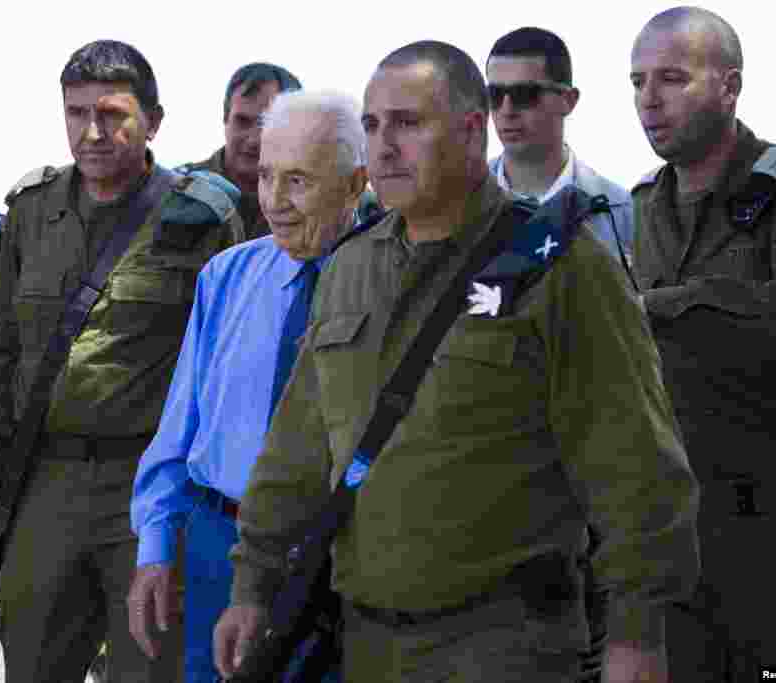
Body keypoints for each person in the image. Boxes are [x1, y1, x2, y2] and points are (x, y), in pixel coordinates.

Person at [213, 40, 700, 683]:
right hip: (364, 642)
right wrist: (251, 585)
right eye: (372, 125)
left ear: (473, 132)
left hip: (504, 644)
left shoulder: (560, 266)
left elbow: (635, 465)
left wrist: (637, 636)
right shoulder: (351, 267)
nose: (383, 145)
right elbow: (298, 447)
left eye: (408, 123)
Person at [0, 40, 244, 683]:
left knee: (150, 665)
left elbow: (227, 373)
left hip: (151, 491)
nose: (92, 132)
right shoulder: (32, 209)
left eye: (111, 114)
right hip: (45, 481)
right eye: (76, 112)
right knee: (31, 660)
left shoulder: (202, 216)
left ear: (153, 122)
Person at [129, 89, 368, 682]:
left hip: (338, 562)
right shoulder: (228, 276)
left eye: (298, 182)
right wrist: (155, 548)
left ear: (355, 183)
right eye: (265, 176)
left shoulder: (391, 285)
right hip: (219, 545)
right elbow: (181, 425)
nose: (275, 202)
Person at [630, 7, 776, 680]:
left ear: (729, 87)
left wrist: (663, 307)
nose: (649, 99)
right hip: (669, 547)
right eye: (638, 80)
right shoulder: (641, 209)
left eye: (672, 78)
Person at [486, 26, 634, 263]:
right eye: (494, 95)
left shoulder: (620, 212)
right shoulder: (458, 203)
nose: (506, 110)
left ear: (568, 100)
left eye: (525, 94)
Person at [176, 62, 302, 238]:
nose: (254, 140)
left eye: (268, 125)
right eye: (242, 121)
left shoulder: (313, 203)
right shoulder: (177, 192)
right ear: (225, 118)